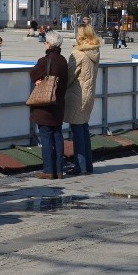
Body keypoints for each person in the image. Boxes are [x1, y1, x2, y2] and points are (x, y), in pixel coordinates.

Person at [29, 30, 69, 179]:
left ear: (49, 44)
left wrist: (37, 80)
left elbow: (33, 73)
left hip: (45, 106)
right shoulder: (63, 60)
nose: (45, 44)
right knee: (58, 137)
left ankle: (48, 170)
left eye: (46, 42)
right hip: (58, 104)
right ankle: (59, 170)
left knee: (46, 138)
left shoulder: (45, 60)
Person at [64, 24, 100, 176]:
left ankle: (81, 166)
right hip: (89, 95)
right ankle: (88, 165)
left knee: (78, 131)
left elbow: (68, 76)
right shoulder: (94, 51)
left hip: (77, 96)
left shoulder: (78, 53)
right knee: (84, 129)